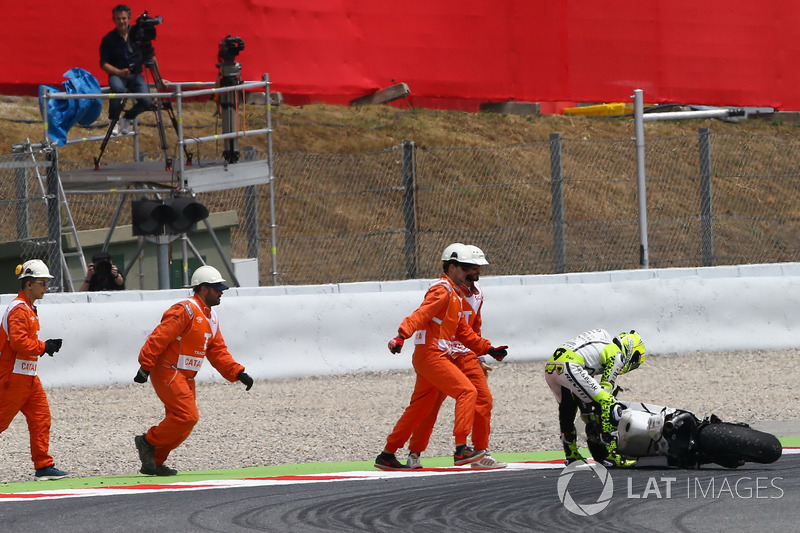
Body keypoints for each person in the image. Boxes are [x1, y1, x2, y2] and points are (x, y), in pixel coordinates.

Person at [375, 243, 508, 470]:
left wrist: (487, 349)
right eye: (468, 267)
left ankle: (387, 454)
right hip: (432, 354)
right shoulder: (443, 290)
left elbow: (464, 331)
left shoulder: (454, 294)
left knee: (420, 408)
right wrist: (401, 336)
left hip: (435, 355)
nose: (473, 272)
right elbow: (420, 314)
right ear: (453, 267)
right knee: (467, 392)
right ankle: (461, 449)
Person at [132, 265, 253, 476]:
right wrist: (145, 366)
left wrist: (237, 372)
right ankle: (147, 441)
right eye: (217, 288)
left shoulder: (211, 317)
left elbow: (217, 351)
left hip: (186, 376)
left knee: (182, 423)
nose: (221, 292)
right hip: (168, 370)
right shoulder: (185, 310)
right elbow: (160, 337)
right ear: (203, 289)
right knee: (188, 416)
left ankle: (154, 462)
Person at [0, 260, 67, 481]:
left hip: (27, 375)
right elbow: (19, 343)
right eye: (43, 282)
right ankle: (43, 466)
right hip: (13, 376)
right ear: (29, 284)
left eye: (47, 282)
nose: (46, 287)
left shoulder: (27, 308)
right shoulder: (19, 310)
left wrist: (42, 347)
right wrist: (44, 347)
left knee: (41, 418)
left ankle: (44, 466)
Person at [544, 328, 646, 468]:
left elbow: (587, 392)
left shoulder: (598, 344)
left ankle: (571, 455)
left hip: (551, 367)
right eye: (634, 361)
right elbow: (605, 390)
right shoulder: (616, 353)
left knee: (567, 408)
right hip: (570, 365)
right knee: (609, 404)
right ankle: (611, 455)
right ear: (631, 350)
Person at [99, 4, 152, 134]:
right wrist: (118, 72)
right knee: (117, 89)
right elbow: (104, 63)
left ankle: (127, 118)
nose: (121, 21)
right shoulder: (108, 39)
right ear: (114, 20)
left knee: (146, 100)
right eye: (118, 19)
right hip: (117, 74)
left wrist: (159, 77)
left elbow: (150, 55)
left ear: (129, 18)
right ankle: (114, 120)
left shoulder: (138, 35)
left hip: (135, 75)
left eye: (124, 18)